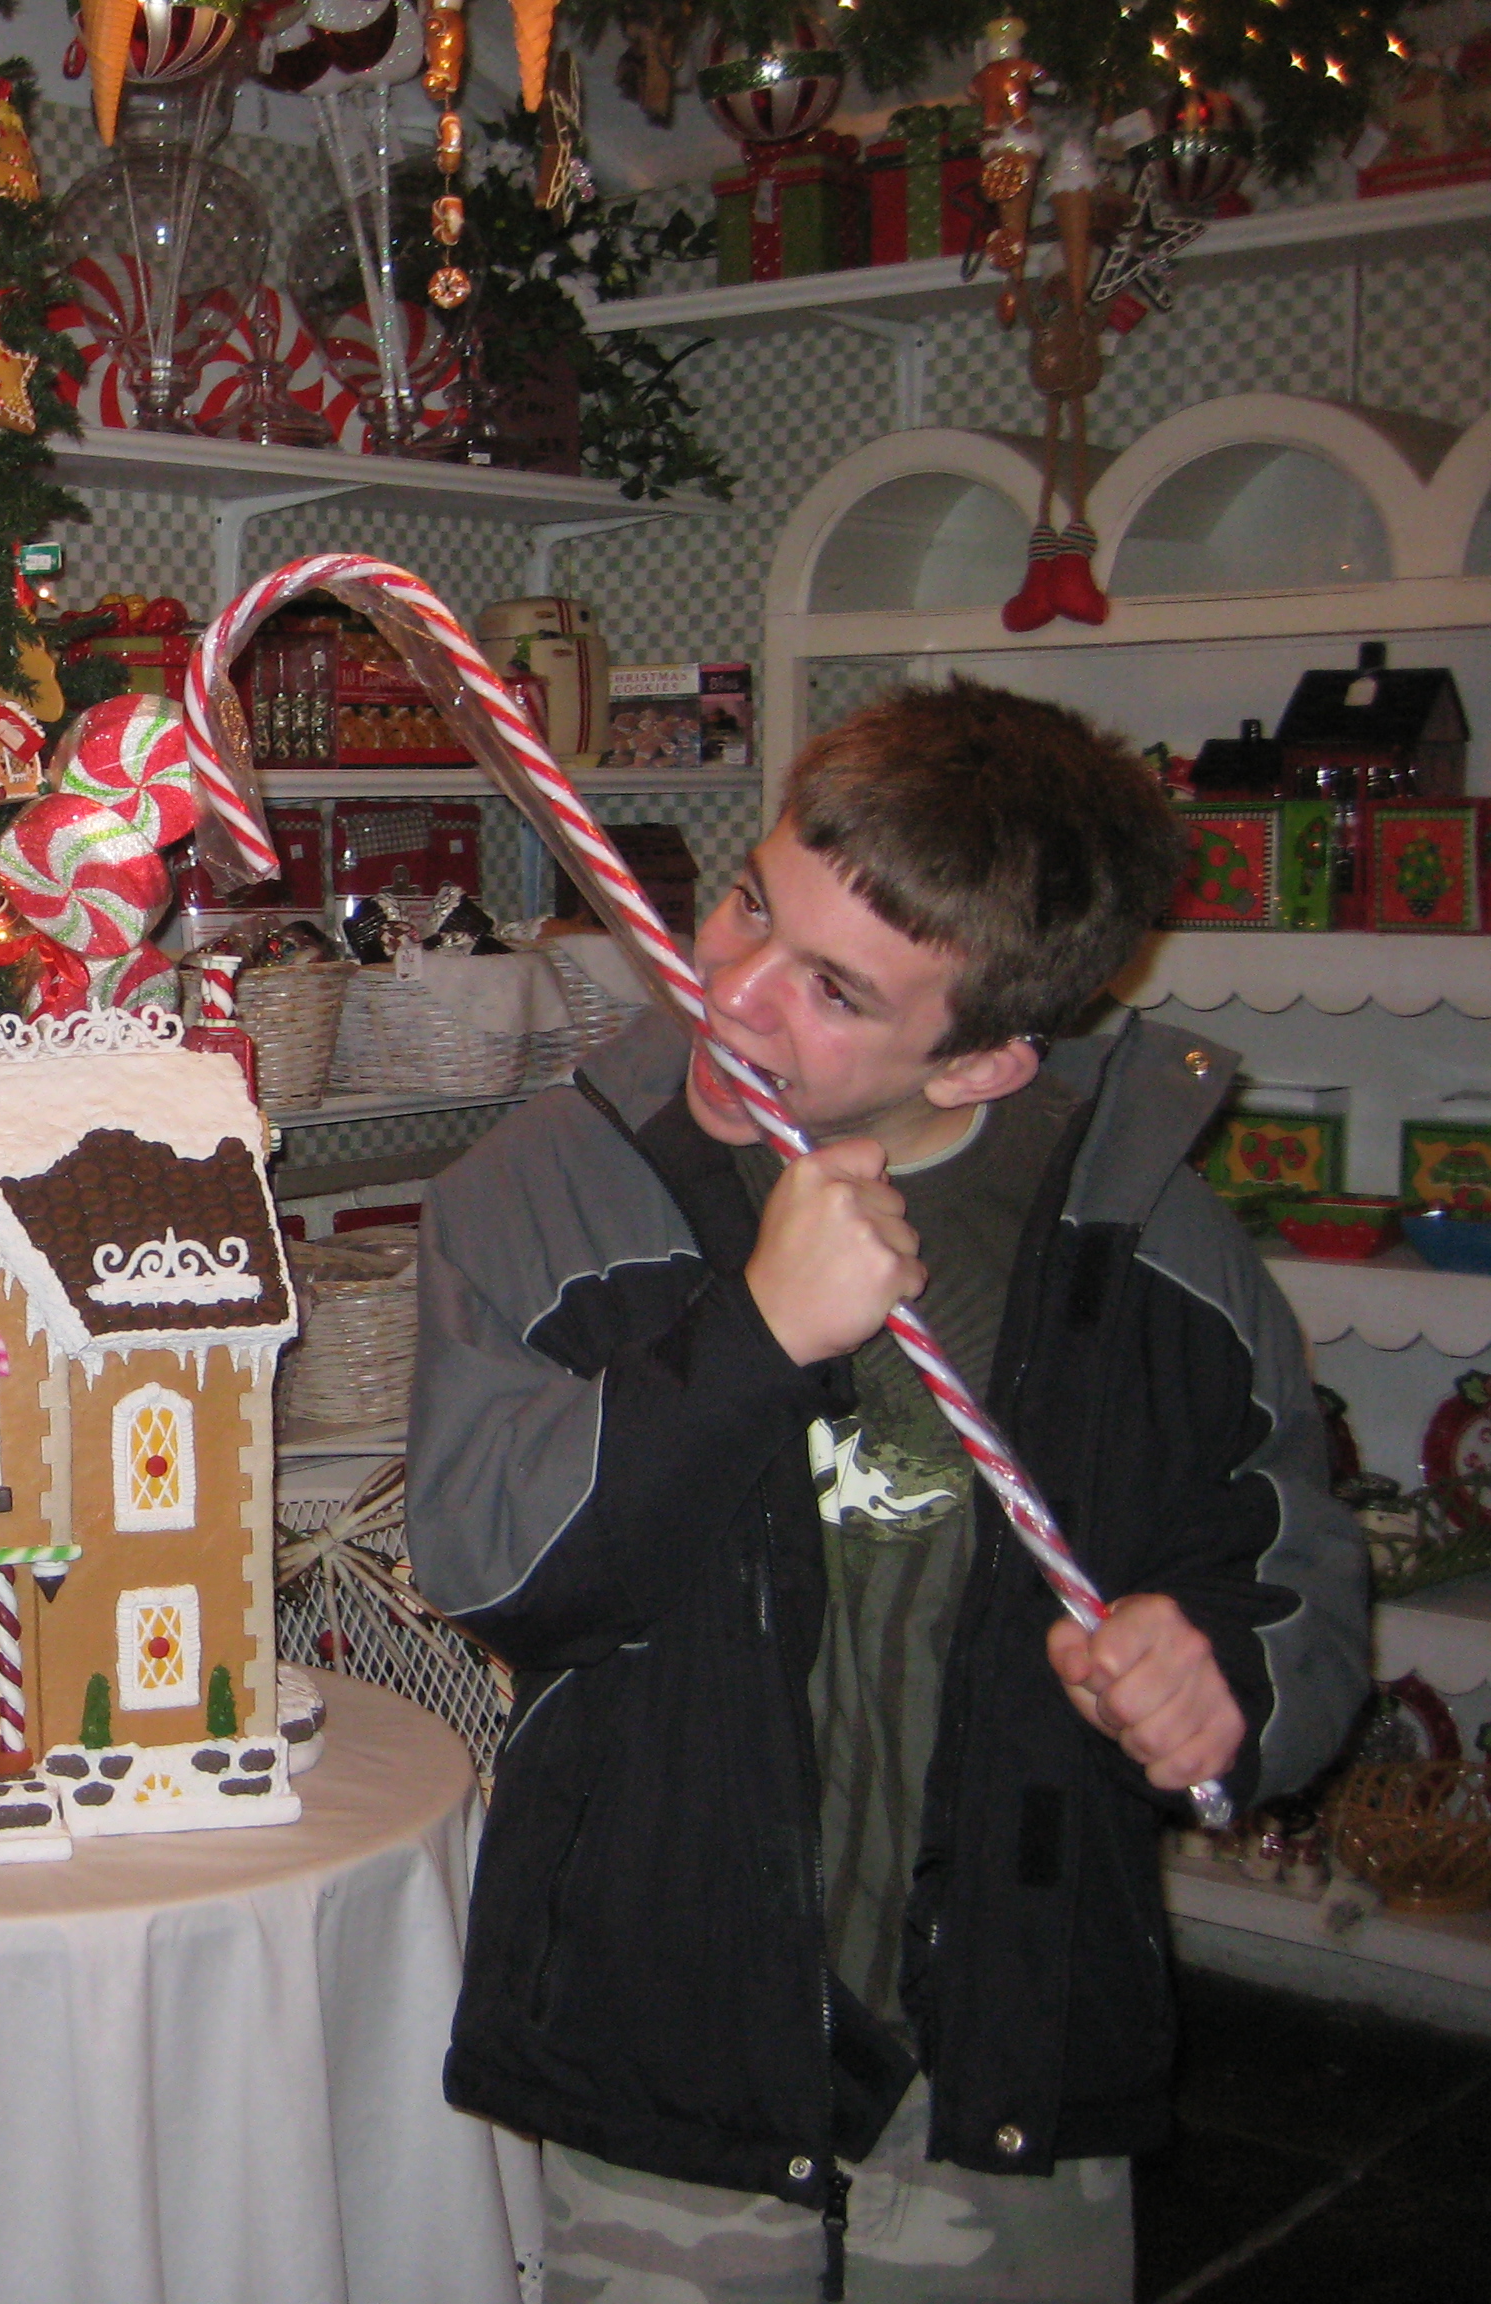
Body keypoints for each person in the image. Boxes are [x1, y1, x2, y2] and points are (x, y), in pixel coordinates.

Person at [406, 681, 1368, 2301]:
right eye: (747, 905)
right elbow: (492, 1561)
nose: (733, 993)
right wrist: (753, 1337)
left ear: (984, 1058)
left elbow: (1288, 1559)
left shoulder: (1140, 1240)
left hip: (1010, 2048)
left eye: (835, 990)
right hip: (671, 2033)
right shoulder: (549, 1189)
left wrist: (1226, 1675)